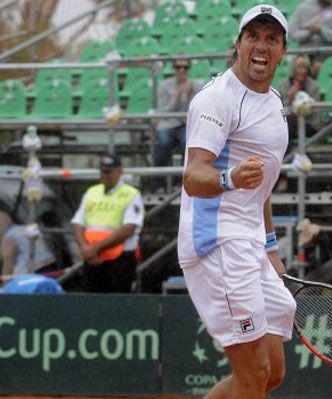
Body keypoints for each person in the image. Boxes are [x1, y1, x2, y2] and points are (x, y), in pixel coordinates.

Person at [178, 5, 296, 399]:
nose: (262, 46)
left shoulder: (275, 103)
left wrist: (270, 246)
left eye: (272, 39)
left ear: (282, 50)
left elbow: (259, 187)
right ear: (239, 44)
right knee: (253, 372)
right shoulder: (216, 99)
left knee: (272, 372)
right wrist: (229, 179)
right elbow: (194, 176)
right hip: (217, 243)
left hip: (250, 246)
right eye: (254, 37)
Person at [71, 154, 144, 292]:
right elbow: (78, 222)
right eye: (103, 171)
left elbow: (128, 229)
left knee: (118, 303)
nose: (106, 175)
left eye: (109, 171)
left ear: (119, 171)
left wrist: (95, 249)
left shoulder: (131, 194)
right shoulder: (92, 192)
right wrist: (85, 249)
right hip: (92, 259)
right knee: (91, 301)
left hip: (120, 259)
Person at [154, 59, 201, 173]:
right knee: (163, 143)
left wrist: (191, 93)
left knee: (189, 144)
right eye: (178, 67)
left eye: (185, 67)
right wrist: (177, 97)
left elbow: (197, 109)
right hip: (168, 123)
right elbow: (163, 111)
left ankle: (185, 177)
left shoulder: (196, 86)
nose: (181, 70)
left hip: (186, 124)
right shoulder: (165, 86)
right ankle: (160, 179)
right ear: (173, 69)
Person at [288, 0, 332, 77]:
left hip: (328, 54)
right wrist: (309, 33)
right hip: (305, 53)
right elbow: (292, 33)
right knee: (298, 65)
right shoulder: (303, 8)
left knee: (318, 67)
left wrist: (321, 31)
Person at [276, 55, 321, 143]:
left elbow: (312, 112)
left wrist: (295, 101)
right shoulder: (283, 86)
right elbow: (279, 109)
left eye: (304, 68)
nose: (302, 71)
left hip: (308, 123)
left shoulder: (314, 87)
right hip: (286, 123)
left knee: (287, 126)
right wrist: (289, 99)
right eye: (298, 68)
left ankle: (287, 155)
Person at [1, 211, 59, 278]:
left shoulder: (9, 237)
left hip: (36, 271)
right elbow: (44, 246)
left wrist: (4, 283)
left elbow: (8, 264)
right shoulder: (29, 227)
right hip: (51, 264)